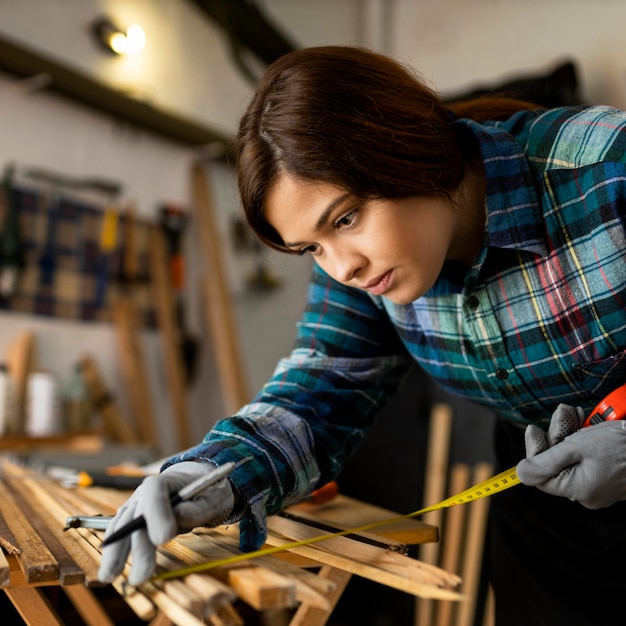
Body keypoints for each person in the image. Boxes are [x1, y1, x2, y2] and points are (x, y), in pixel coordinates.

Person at [98, 45, 626, 625]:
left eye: (344, 218)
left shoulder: (608, 166)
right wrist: (210, 475)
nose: (341, 267)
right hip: (549, 491)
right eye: (311, 248)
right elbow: (321, 387)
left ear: (408, 147)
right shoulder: (362, 271)